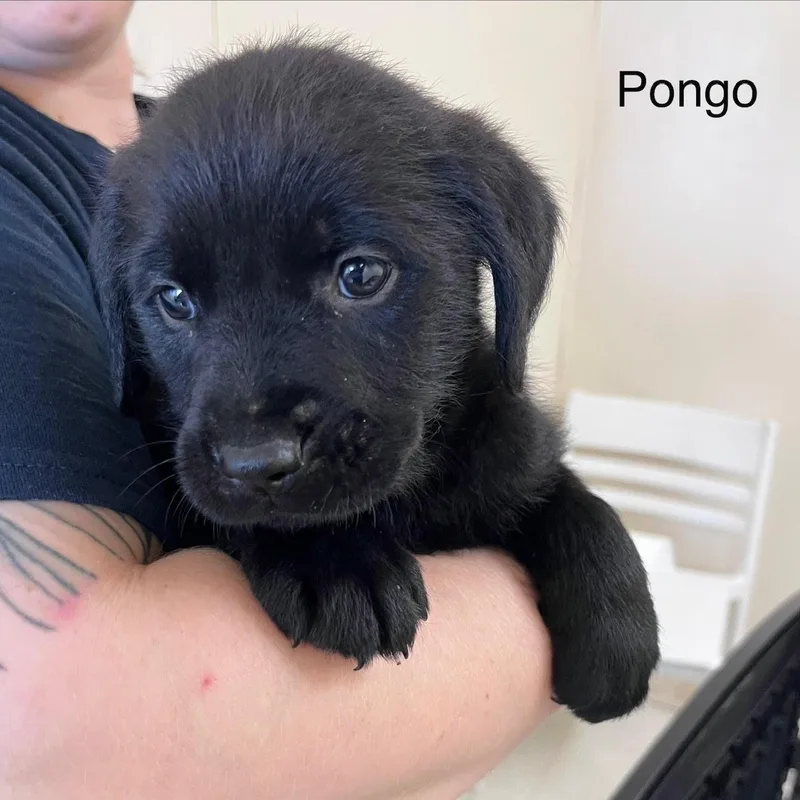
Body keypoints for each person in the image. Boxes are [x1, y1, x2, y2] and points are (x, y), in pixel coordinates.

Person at [0, 2, 555, 798]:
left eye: (359, 276)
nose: (257, 439)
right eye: (178, 303)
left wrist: (572, 537)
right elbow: (56, 742)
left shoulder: (180, 149)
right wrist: (538, 625)